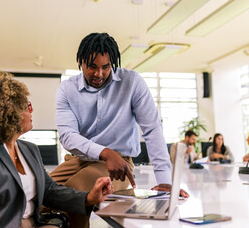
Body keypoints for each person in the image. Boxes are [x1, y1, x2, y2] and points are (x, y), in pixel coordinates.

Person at [0, 73, 113, 228]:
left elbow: (49, 191)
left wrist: (89, 197)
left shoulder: (29, 150)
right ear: (8, 113)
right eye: (26, 105)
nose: (32, 109)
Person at [49, 32, 188, 227]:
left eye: (106, 67)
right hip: (78, 159)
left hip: (119, 166)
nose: (99, 74)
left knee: (75, 192)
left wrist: (164, 180)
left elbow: (152, 129)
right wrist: (105, 152)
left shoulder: (132, 82)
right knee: (36, 192)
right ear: (80, 62)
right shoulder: (67, 89)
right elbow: (67, 136)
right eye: (92, 67)